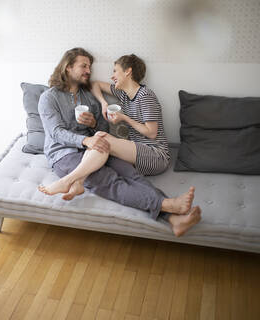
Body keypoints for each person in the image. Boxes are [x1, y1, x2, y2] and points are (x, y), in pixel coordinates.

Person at [37, 47, 201, 237]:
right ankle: (167, 206)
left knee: (130, 173)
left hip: (94, 150)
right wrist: (87, 139)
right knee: (109, 180)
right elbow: (56, 133)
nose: (88, 71)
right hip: (65, 154)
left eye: (89, 67)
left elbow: (103, 131)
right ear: (68, 67)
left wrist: (94, 124)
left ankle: (173, 219)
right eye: (84, 66)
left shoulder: (87, 97)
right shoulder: (48, 98)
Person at [90, 54, 170, 176]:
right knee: (98, 137)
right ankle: (77, 181)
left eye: (115, 71)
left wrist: (124, 118)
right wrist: (103, 103)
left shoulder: (145, 96)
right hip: (136, 151)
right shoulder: (123, 94)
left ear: (128, 71)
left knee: (102, 140)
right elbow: (95, 84)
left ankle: (71, 180)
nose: (112, 76)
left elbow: (151, 133)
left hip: (156, 156)